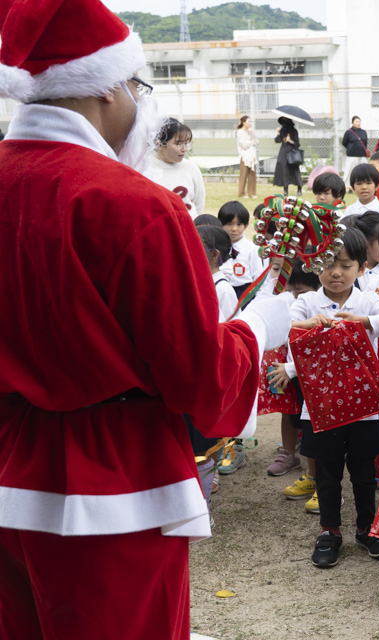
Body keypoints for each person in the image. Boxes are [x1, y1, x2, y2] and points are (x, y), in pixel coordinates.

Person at [0, 2, 294, 636]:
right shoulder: (134, 206)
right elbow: (198, 378)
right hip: (114, 482)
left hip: (9, 466)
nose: (140, 101)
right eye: (139, 84)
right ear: (108, 84)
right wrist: (259, 326)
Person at [277, 227, 379, 569]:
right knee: (327, 473)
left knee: (364, 472)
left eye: (346, 265)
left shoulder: (367, 301)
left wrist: (364, 321)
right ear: (316, 265)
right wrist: (307, 325)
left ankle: (367, 528)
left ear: (362, 269)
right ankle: (329, 531)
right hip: (320, 406)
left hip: (365, 408)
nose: (336, 273)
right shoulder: (305, 302)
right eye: (329, 264)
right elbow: (284, 331)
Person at [143, 118, 205, 217]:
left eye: (186, 143)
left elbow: (199, 204)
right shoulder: (145, 169)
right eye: (178, 144)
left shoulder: (191, 168)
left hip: (187, 228)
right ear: (160, 144)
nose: (184, 149)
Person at [218, 200, 266, 299]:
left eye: (239, 224)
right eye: (229, 224)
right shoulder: (217, 247)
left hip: (245, 294)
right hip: (222, 291)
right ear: (220, 224)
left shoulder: (252, 249)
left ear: (246, 225)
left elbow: (258, 277)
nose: (234, 229)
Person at [273, 116, 302, 196]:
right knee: (284, 170)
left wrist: (290, 141)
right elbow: (277, 140)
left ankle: (299, 189)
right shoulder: (282, 130)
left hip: (292, 153)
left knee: (295, 171)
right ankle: (285, 190)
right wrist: (278, 133)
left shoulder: (294, 131)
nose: (284, 123)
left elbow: (297, 144)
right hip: (283, 153)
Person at [236, 115, 258, 198]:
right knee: (243, 174)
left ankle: (251, 193)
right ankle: (241, 193)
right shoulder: (240, 132)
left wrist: (252, 134)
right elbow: (244, 145)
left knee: (252, 174)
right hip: (244, 156)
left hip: (252, 155)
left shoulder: (249, 131)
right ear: (243, 122)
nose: (250, 123)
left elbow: (256, 141)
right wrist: (251, 142)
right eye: (249, 121)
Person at [342, 115, 368, 182]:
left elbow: (365, 142)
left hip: (362, 155)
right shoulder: (348, 132)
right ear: (352, 122)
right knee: (349, 171)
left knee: (364, 171)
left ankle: (363, 183)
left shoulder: (363, 132)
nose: (358, 123)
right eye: (356, 121)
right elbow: (344, 142)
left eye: (359, 121)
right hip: (352, 156)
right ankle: (348, 186)